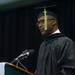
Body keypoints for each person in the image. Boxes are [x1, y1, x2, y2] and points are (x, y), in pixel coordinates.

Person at [35, 10, 75, 75]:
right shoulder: (43, 45)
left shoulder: (66, 42)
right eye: (38, 23)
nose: (39, 25)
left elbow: (69, 70)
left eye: (43, 21)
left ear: (53, 22)